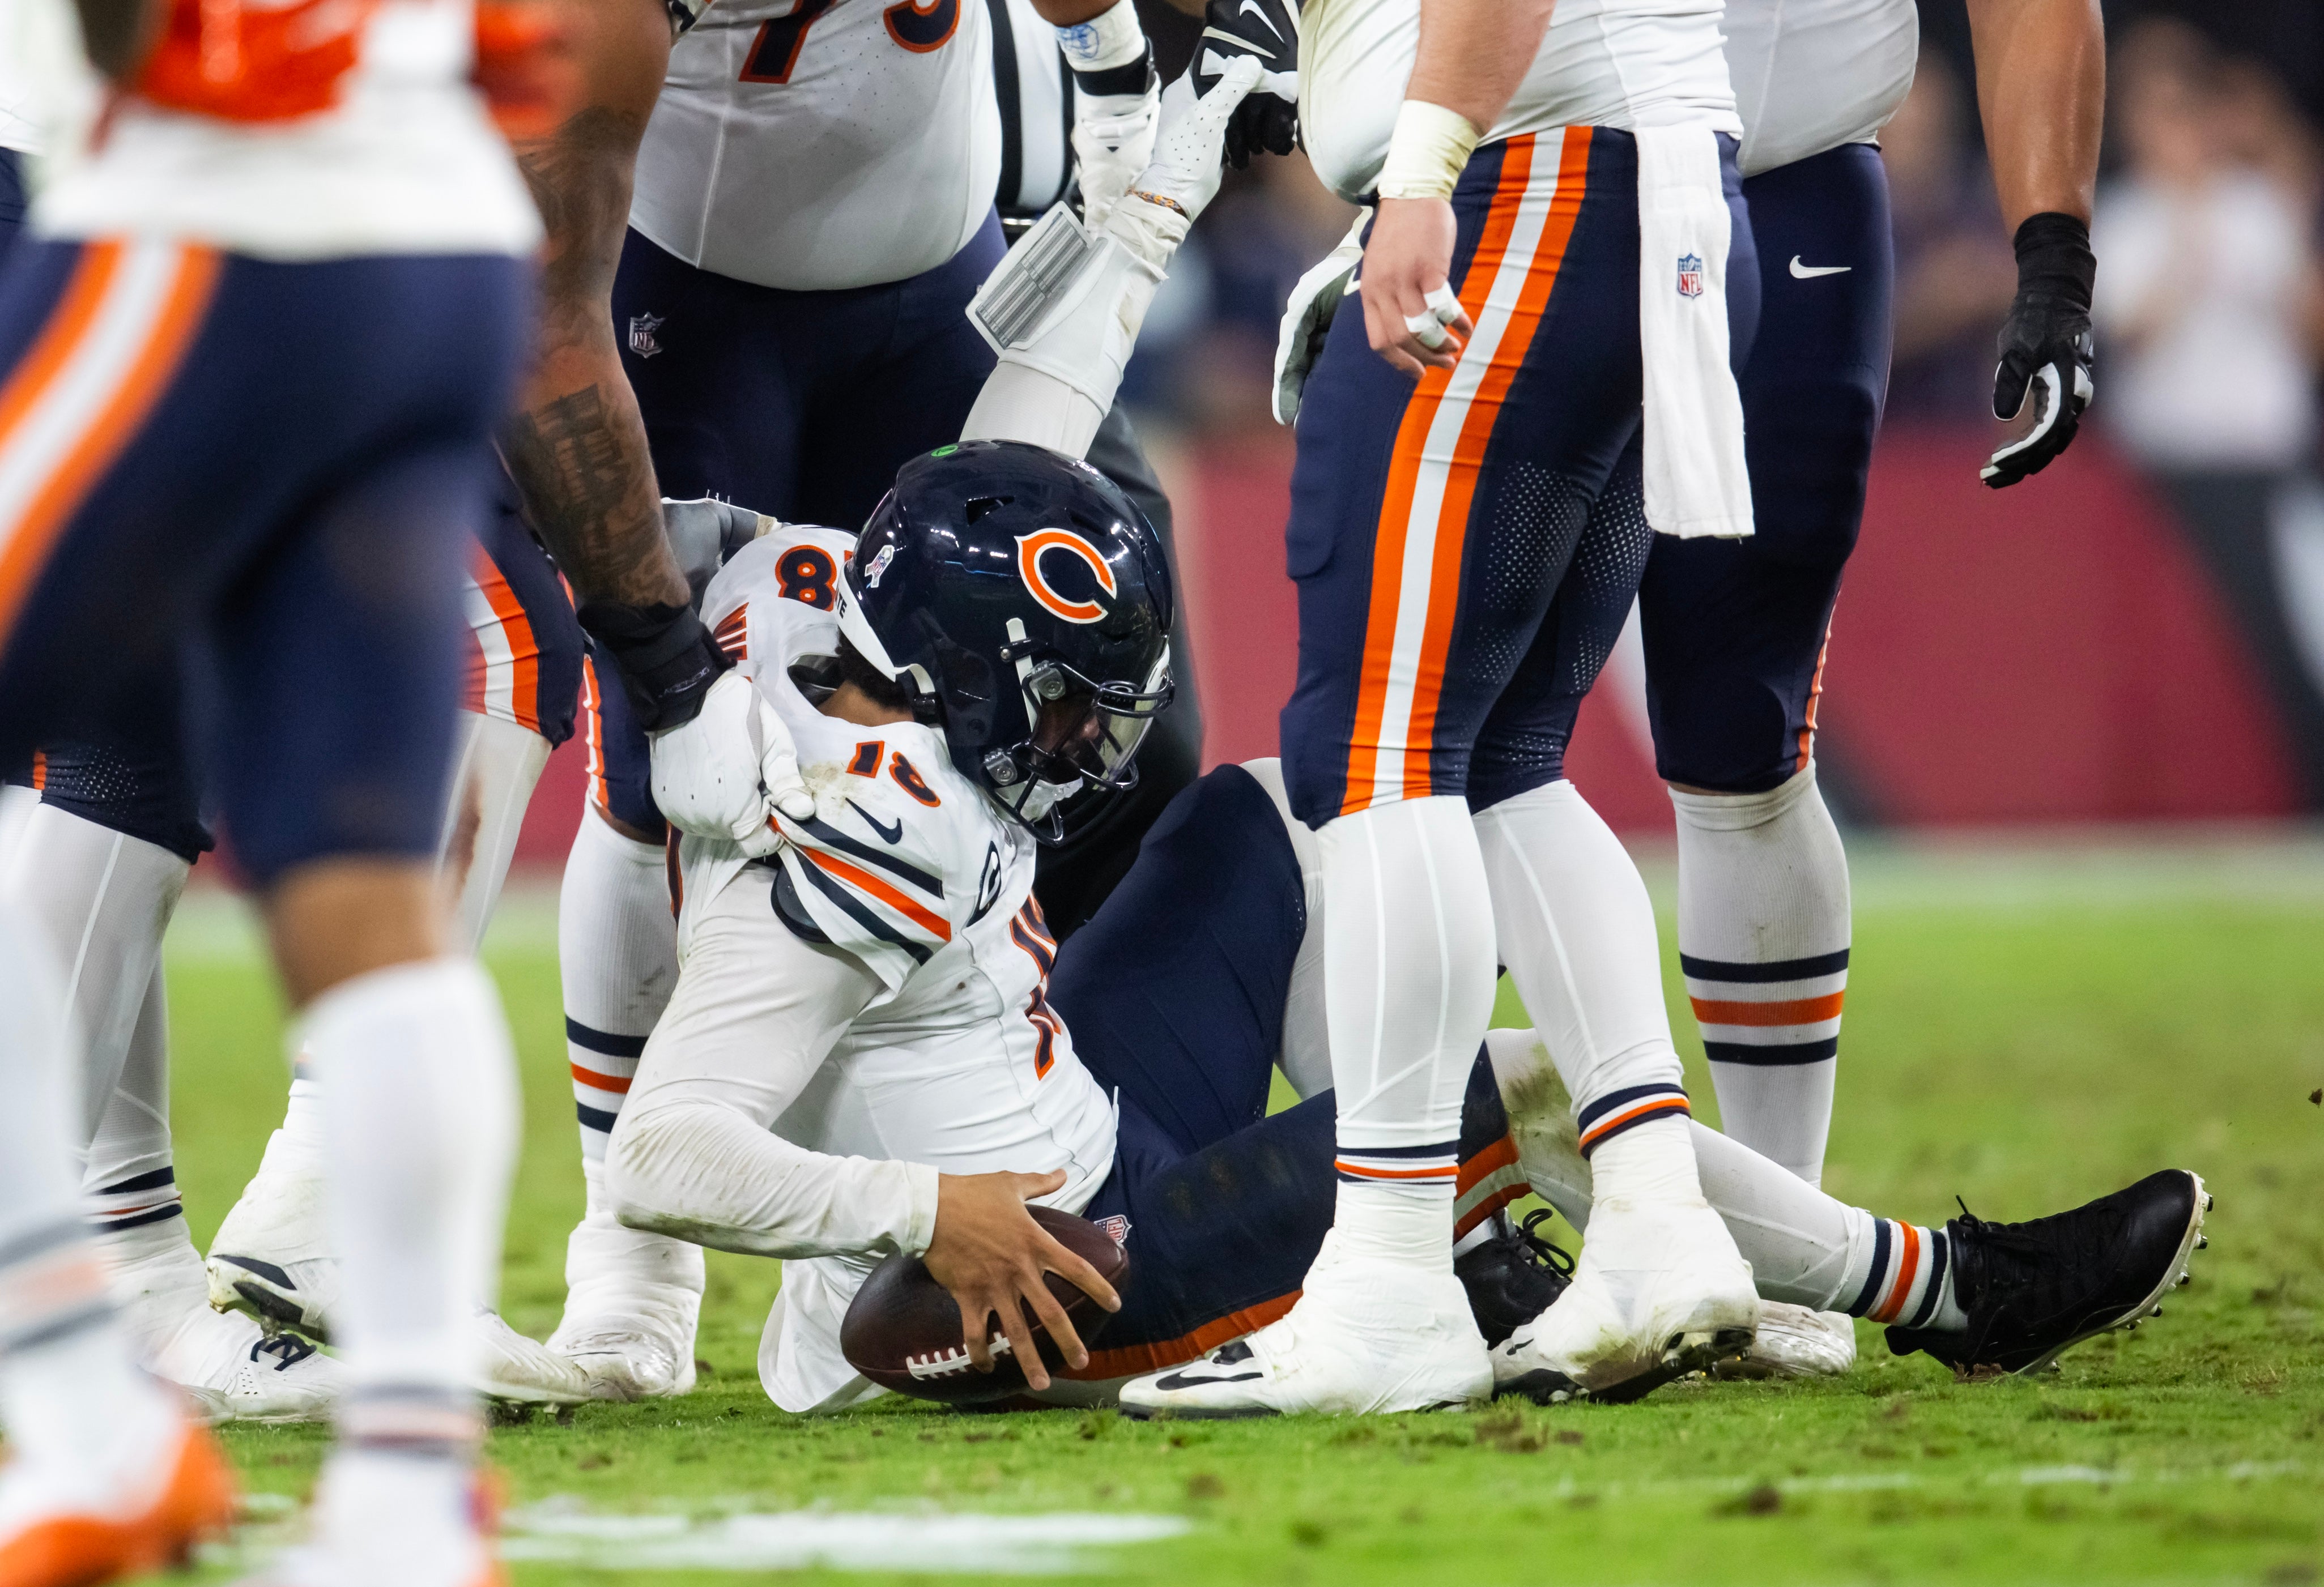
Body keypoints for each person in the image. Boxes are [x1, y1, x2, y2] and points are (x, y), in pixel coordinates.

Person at [0, 0, 544, 1575]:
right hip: (437, 231)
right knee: (353, 883)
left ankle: (89, 1422)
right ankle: (408, 1490)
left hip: (220, 203)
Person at [1180, 0, 1772, 1417]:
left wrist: (1416, 179)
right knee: (1503, 755)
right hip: (1644, 195)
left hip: (1530, 189)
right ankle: (1652, 1217)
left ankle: (1389, 1281)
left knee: (1373, 748)